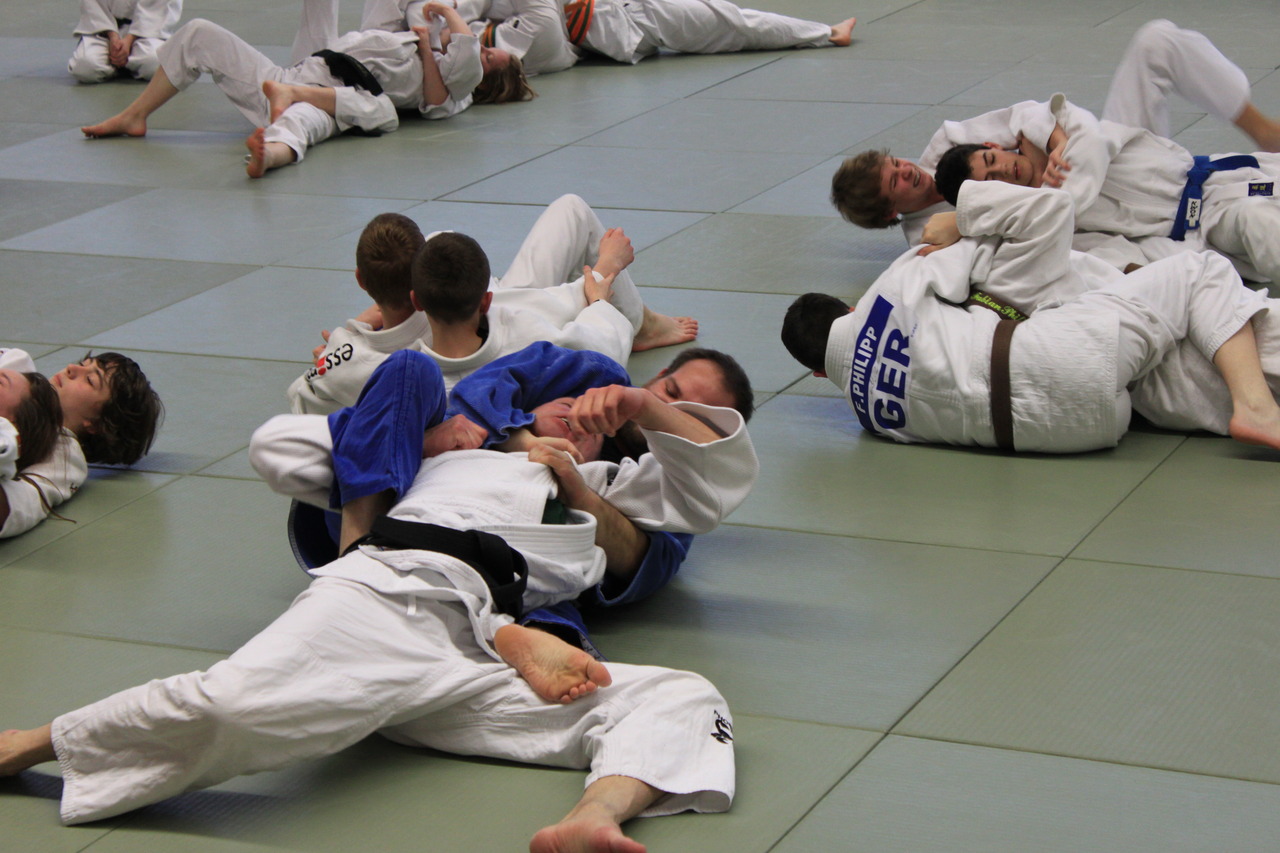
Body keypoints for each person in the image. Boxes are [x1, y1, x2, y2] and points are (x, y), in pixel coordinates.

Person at [0, 346, 759, 851]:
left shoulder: (617, 493)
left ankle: (592, 817)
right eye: (569, 405)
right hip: (393, 588)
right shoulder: (464, 448)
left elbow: (711, 484)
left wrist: (636, 409)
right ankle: (32, 743)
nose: (582, 419)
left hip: (473, 663)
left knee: (686, 695)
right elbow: (280, 445)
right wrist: (464, 441)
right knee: (233, 705)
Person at [782, 180, 1280, 454]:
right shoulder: (885, 294)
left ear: (819, 371)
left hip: (1073, 432)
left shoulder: (871, 420)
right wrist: (962, 221)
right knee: (1199, 271)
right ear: (849, 309)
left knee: (1178, 367)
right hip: (1052, 354)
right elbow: (960, 253)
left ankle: (1252, 403)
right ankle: (1256, 408)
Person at [831, 21, 1280, 248]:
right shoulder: (931, 233)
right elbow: (1016, 238)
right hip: (1102, 222)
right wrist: (1028, 175)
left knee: (1156, 40)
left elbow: (1025, 116)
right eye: (896, 181)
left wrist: (1054, 142)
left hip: (1095, 162)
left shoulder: (946, 145)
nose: (907, 170)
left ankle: (1264, 132)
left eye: (896, 163)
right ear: (891, 213)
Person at [288, 194, 698, 414]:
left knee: (440, 236)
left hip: (420, 315)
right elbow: (597, 335)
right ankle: (645, 325)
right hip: (502, 298)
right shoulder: (521, 328)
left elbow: (305, 394)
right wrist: (609, 263)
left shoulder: (365, 365)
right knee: (573, 211)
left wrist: (355, 336)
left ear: (362, 282)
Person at [79, 0, 531, 178]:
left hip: (331, 99)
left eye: (491, 57)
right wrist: (428, 38)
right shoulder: (420, 44)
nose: (483, 45)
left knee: (300, 124)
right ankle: (135, 114)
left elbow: (453, 67)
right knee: (197, 32)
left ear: (485, 81)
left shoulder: (458, 89)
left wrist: (445, 15)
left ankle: (269, 154)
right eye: (489, 46)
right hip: (309, 65)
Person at [0, 349, 163, 538]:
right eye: (82, 364)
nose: (71, 368)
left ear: (98, 424)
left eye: (90, 380)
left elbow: (21, 505)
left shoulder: (63, 456)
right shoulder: (18, 369)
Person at [460, 0, 857, 74]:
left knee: (729, 21)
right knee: (729, 22)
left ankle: (823, 32)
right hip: (633, 21)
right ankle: (825, 33)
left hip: (623, 16)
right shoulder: (533, 44)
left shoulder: (493, 32)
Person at [68, 0, 182, 83]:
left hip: (148, 32)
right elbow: (93, 5)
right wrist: (113, 36)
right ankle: (124, 64)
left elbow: (156, 9)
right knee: (84, 67)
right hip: (104, 28)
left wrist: (130, 38)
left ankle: (118, 63)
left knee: (154, 63)